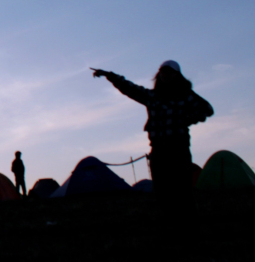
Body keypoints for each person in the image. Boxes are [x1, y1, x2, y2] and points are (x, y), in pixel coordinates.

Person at [91, 61, 213, 206]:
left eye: (169, 72)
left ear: (177, 75)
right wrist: (109, 75)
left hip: (179, 151)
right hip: (159, 152)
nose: (165, 75)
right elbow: (129, 88)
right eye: (163, 72)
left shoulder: (185, 96)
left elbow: (207, 109)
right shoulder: (153, 97)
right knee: (163, 195)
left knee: (183, 195)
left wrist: (188, 119)